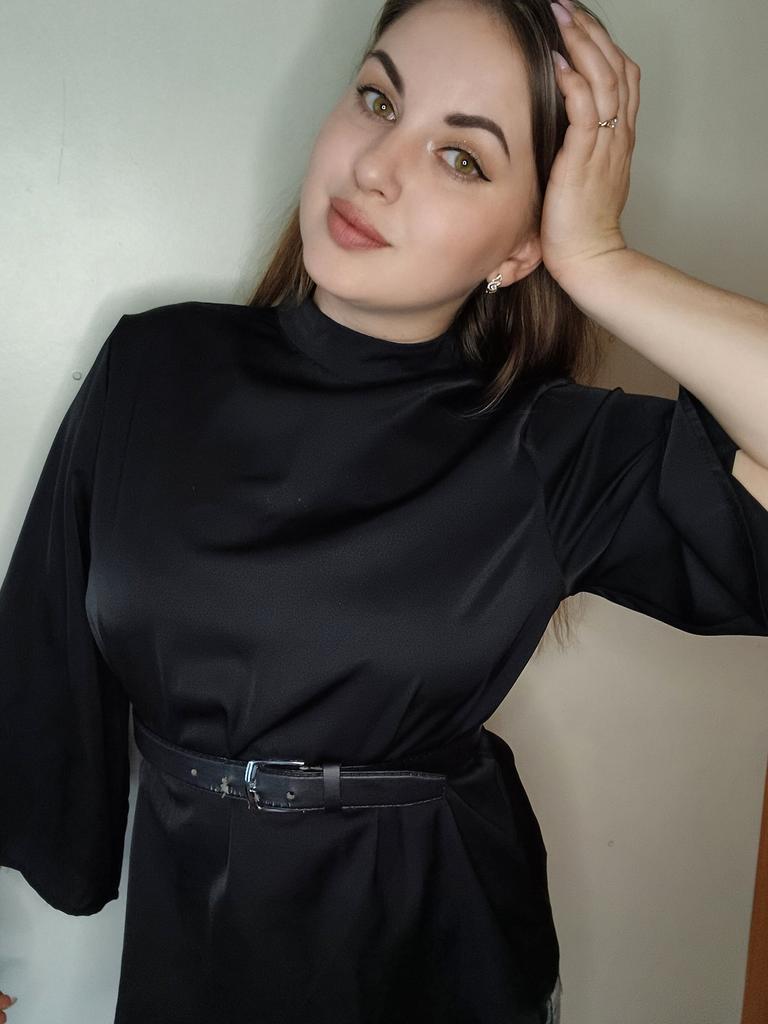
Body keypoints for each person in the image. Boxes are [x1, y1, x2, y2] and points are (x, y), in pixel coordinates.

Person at [1, 0, 767, 1021]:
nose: (375, 168)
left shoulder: (548, 447)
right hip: (192, 930)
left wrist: (601, 263)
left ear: (519, 248)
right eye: (377, 100)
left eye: (462, 157)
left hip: (428, 940)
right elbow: (42, 655)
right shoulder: (155, 363)